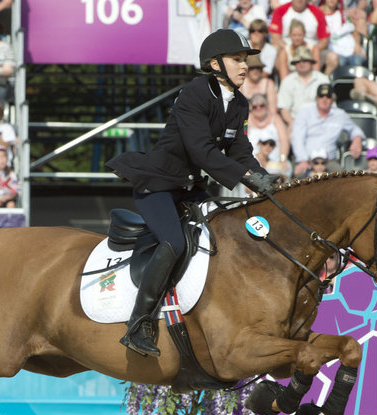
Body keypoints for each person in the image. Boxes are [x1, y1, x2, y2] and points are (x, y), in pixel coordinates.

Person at [105, 29, 276, 357]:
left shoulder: (238, 103)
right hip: (158, 186)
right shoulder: (196, 92)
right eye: (237, 60)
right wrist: (248, 179)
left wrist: (268, 183)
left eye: (246, 60)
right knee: (175, 242)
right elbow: (201, 152)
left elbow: (241, 152)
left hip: (191, 190)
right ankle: (139, 324)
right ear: (215, 64)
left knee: (225, 237)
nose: (245, 66)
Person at [291, 83, 365, 175]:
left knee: (340, 177)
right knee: (298, 177)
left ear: (332, 99)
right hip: (306, 160)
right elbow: (297, 139)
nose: (324, 99)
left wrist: (357, 139)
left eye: (328, 96)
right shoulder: (304, 113)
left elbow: (355, 129)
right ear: (316, 99)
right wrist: (303, 160)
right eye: (321, 96)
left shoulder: (340, 115)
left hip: (329, 161)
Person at [277, 46, 329, 131]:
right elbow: (284, 108)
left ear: (311, 62)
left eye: (305, 60)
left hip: (320, 122)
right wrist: (291, 122)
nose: (301, 63)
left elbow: (329, 104)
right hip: (295, 122)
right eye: (298, 61)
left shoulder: (323, 79)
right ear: (294, 64)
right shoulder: (287, 81)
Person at [320, 0, 366, 75]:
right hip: (334, 51)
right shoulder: (319, 14)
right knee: (340, 62)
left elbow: (354, 31)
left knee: (357, 61)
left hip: (352, 50)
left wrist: (357, 46)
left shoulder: (343, 14)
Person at [248, 93, 290, 163]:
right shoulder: (247, 120)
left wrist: (283, 158)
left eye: (262, 106)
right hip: (253, 162)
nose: (259, 109)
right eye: (255, 107)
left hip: (275, 162)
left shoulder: (275, 118)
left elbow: (284, 140)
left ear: (266, 105)